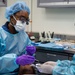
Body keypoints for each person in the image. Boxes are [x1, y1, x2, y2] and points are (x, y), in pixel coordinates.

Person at [0, 1, 36, 74]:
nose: (24, 22)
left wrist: (29, 54)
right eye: (22, 19)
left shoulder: (23, 36)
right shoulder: (1, 35)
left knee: (28, 68)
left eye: (26, 20)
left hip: (18, 71)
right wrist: (14, 60)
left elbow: (25, 58)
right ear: (11, 17)